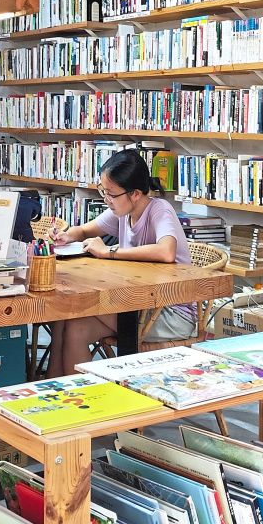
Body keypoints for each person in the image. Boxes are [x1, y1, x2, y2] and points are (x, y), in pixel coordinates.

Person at [43, 150, 192, 376]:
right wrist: (66, 235)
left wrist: (109, 251)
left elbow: (166, 252)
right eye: (103, 191)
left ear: (135, 194)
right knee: (73, 326)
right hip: (136, 303)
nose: (106, 200)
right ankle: (67, 397)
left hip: (170, 312)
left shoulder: (159, 210)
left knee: (70, 309)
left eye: (111, 194)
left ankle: (84, 398)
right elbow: (85, 230)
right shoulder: (122, 212)